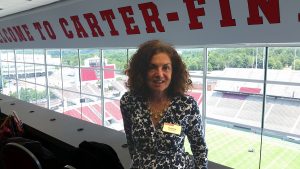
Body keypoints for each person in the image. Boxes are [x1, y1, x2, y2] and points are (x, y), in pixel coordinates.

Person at [120, 40, 208, 169]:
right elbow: (131, 143)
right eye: (152, 67)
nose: (159, 74)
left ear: (174, 72)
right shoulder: (129, 101)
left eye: (165, 67)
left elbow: (199, 148)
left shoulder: (187, 106)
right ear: (142, 71)